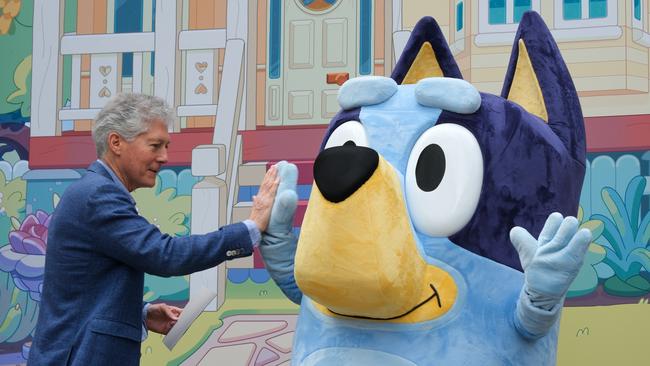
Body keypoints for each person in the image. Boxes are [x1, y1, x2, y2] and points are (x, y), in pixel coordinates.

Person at [28, 93, 279, 365]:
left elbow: (84, 290)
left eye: (166, 146)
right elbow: (165, 254)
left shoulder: (94, 192)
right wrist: (250, 228)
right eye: (155, 145)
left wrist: (141, 313)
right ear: (116, 143)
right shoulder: (98, 195)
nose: (165, 157)